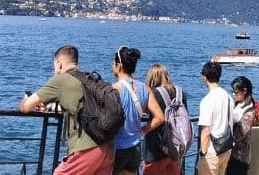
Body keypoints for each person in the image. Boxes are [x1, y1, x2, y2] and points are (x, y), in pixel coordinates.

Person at [19, 45, 114, 174]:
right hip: (108, 146)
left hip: (87, 148)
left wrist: (25, 100)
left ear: (58, 64)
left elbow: (25, 107)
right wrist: (50, 106)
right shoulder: (90, 78)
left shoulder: (61, 79)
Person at [112, 47, 164, 175]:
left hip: (117, 149)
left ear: (118, 66)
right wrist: (143, 130)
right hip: (135, 149)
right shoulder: (145, 88)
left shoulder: (114, 89)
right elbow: (160, 117)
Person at [143, 63, 188, 175]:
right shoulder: (181, 93)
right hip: (175, 148)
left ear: (152, 78)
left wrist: (142, 130)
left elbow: (146, 115)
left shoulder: (153, 94)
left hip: (155, 151)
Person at [197, 62, 234, 175]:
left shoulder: (207, 100)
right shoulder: (228, 97)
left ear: (205, 77)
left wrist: (203, 153)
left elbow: (206, 131)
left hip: (212, 151)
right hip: (226, 148)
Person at [227, 76, 255, 175]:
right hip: (232, 154)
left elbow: (242, 134)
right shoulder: (238, 104)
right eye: (232, 91)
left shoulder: (248, 112)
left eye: (236, 92)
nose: (233, 94)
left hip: (239, 156)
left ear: (244, 91)